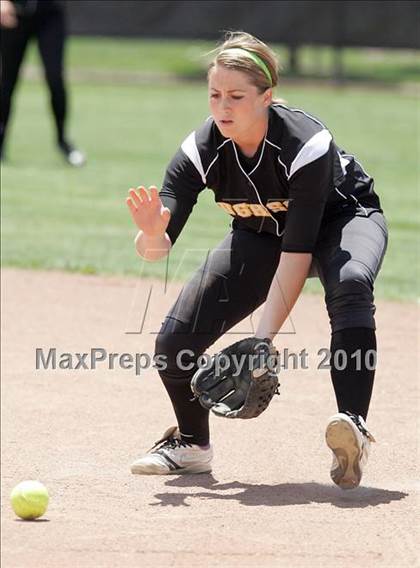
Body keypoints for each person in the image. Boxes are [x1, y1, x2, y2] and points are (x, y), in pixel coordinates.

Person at [126, 31, 388, 489]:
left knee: (349, 283)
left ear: (266, 97)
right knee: (173, 344)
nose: (222, 106)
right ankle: (191, 446)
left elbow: (298, 253)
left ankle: (352, 425)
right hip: (259, 233)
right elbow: (156, 249)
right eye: (214, 94)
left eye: (236, 96)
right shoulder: (201, 150)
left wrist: (261, 343)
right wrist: (151, 233)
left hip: (343, 218)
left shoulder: (306, 143)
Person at [0, 0, 85, 166]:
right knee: (7, 82)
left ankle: (62, 141)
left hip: (49, 14)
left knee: (55, 78)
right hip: (15, 12)